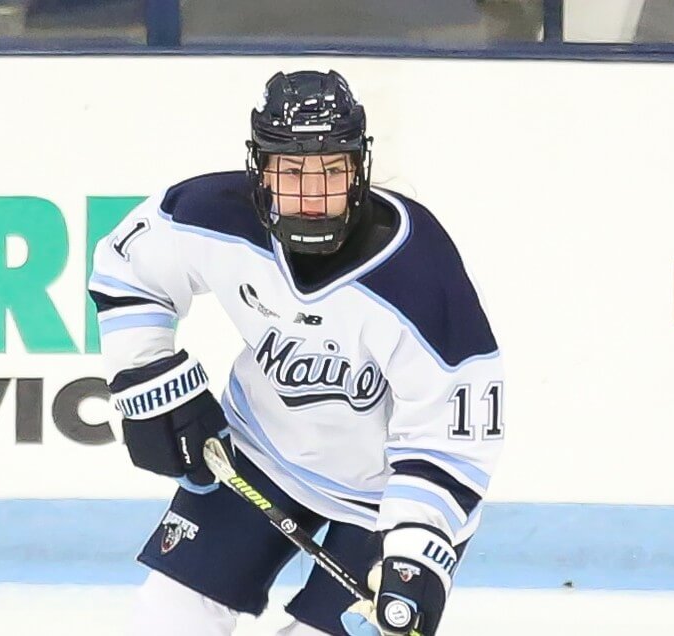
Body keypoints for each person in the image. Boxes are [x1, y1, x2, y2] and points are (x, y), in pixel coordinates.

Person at [89, 69, 505, 636]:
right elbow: (126, 267)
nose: (313, 195)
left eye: (333, 169)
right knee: (168, 617)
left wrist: (415, 547)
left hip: (385, 499)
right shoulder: (213, 213)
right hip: (258, 452)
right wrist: (147, 379)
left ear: (359, 169)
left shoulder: (419, 272)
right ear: (259, 170)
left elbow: (452, 435)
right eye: (292, 171)